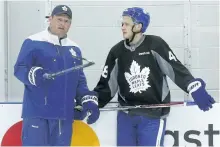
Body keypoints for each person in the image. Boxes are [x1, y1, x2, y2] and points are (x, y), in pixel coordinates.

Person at [93, 7, 215, 146]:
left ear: (138, 26)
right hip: (126, 115)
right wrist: (92, 102)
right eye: (122, 23)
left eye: (126, 24)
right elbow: (107, 85)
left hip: (152, 115)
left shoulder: (155, 45)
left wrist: (192, 86)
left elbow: (175, 69)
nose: (122, 27)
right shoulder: (116, 52)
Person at [14, 5, 100, 146]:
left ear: (70, 24)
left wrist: (87, 100)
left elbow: (79, 81)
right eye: (59, 19)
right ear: (50, 19)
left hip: (63, 118)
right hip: (38, 115)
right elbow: (19, 68)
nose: (62, 24)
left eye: (66, 21)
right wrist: (34, 74)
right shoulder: (33, 41)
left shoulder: (74, 49)